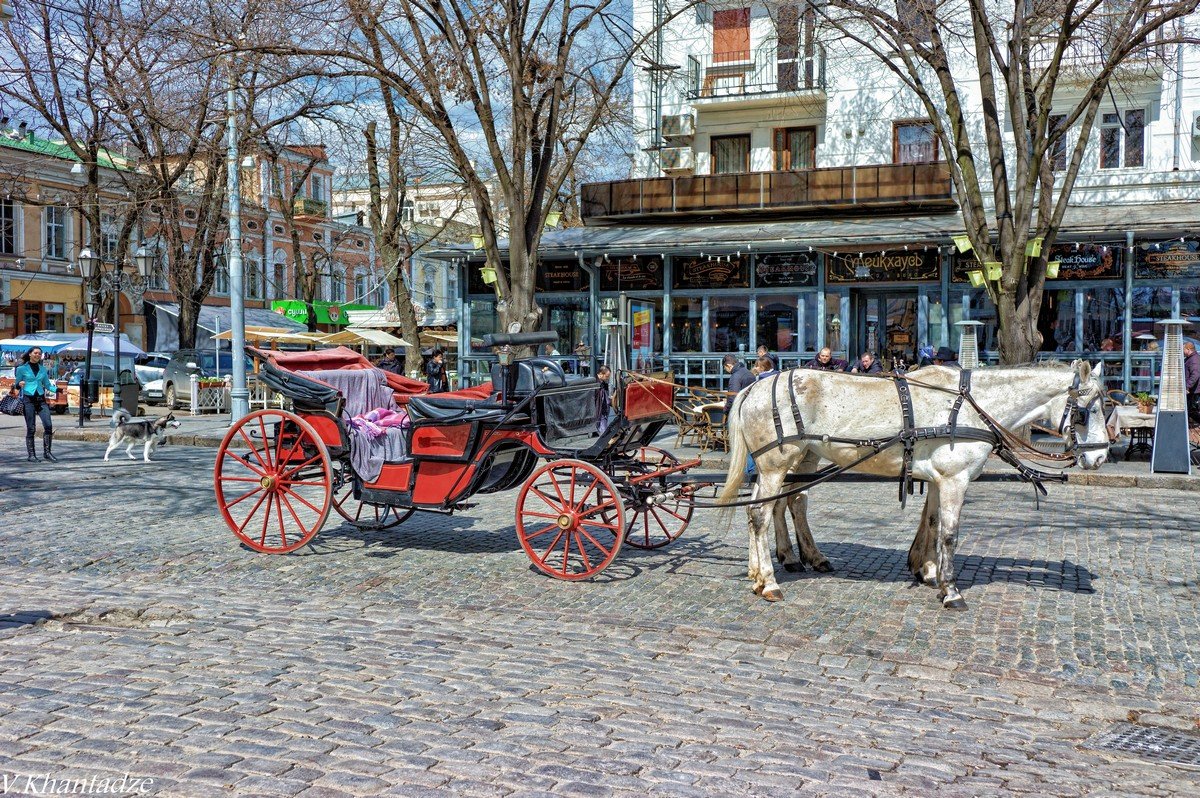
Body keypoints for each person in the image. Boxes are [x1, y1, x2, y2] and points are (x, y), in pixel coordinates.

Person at [15, 346, 58, 463]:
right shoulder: (21, 369)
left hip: (41, 400)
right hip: (28, 400)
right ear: (30, 354)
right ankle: (31, 455)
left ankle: (47, 453)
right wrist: (20, 384)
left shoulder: (43, 369)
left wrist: (58, 390)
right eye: (36, 353)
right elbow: (16, 385)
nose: (38, 355)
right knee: (31, 428)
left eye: (40, 354)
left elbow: (48, 385)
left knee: (48, 426)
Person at [1185, 342, 1200, 426]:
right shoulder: (1190, 358)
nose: (1182, 351)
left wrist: (1187, 386)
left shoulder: (1194, 359)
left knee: (1191, 410)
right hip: (1193, 389)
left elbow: (1195, 374)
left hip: (1194, 390)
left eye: (1183, 349)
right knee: (1190, 410)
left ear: (1188, 349)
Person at [595, 365, 612, 435]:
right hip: (599, 411)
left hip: (603, 410)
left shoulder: (603, 383)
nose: (608, 378)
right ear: (601, 374)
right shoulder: (595, 384)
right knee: (603, 430)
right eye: (607, 376)